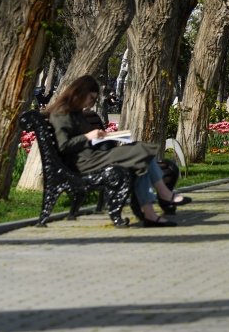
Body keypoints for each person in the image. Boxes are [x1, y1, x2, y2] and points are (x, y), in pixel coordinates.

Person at [47, 75, 188, 227]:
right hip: (84, 162)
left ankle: (150, 215)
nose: (90, 103)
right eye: (91, 98)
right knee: (141, 149)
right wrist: (88, 136)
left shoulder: (75, 112)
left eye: (93, 100)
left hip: (92, 156)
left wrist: (101, 136)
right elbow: (63, 146)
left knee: (140, 162)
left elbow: (82, 138)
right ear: (80, 92)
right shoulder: (61, 113)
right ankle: (164, 194)